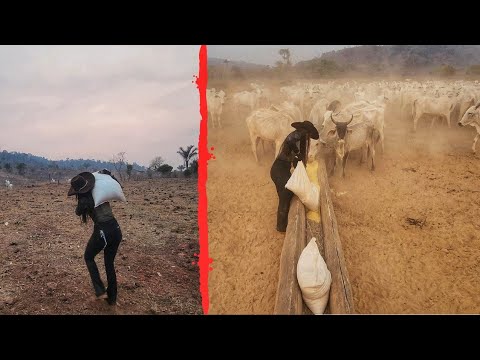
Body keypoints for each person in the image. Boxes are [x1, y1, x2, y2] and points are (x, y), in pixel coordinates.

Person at [67, 171, 123, 306]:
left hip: (103, 231)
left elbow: (78, 212)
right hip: (116, 229)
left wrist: (81, 198)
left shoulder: (85, 199)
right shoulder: (100, 192)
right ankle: (112, 298)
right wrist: (110, 175)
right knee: (109, 264)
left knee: (88, 257)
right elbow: (118, 185)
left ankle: (99, 290)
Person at [270, 121, 319, 233]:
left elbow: (298, 164)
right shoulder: (297, 136)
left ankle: (284, 223)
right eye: (308, 134)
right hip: (279, 170)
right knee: (286, 195)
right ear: (305, 131)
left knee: (286, 196)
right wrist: (297, 153)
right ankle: (281, 228)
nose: (308, 137)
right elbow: (292, 144)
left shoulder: (297, 136)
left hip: (280, 169)